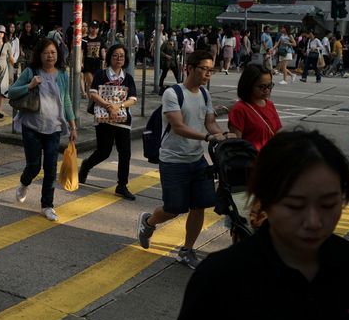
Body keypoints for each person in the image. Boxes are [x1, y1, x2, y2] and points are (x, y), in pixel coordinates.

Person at [173, 129, 349, 320]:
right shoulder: (220, 277)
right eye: (294, 206)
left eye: (328, 204)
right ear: (264, 200)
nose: (313, 222)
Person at [136, 50, 234, 269]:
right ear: (189, 68)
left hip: (197, 159)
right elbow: (179, 127)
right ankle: (149, 222)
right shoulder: (173, 93)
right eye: (204, 69)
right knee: (173, 208)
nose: (208, 74)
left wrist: (223, 136)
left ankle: (187, 250)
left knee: (200, 205)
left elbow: (210, 123)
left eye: (211, 70)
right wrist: (208, 136)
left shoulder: (205, 95)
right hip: (173, 161)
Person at [9, 38, 77, 222]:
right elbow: (12, 92)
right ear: (40, 54)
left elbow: (67, 100)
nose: (50, 56)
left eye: (53, 52)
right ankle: (24, 183)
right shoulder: (31, 72)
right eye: (46, 52)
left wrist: (72, 125)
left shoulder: (62, 74)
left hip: (53, 128)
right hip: (31, 127)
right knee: (33, 165)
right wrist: (29, 85)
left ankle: (47, 205)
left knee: (50, 168)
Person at [78, 44, 138, 200]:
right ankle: (86, 165)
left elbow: (133, 99)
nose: (119, 59)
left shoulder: (128, 77)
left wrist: (119, 106)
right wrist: (107, 106)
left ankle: (122, 185)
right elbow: (92, 93)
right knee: (104, 151)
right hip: (104, 118)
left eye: (122, 56)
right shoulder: (101, 74)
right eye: (115, 55)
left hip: (122, 119)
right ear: (110, 57)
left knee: (125, 153)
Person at [227, 64, 282, 152]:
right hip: (252, 161)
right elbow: (236, 145)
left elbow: (278, 132)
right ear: (249, 85)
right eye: (262, 87)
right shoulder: (240, 109)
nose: (267, 90)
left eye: (270, 86)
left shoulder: (270, 104)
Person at [81, 20, 105, 100]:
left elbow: (102, 50)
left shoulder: (100, 39)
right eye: (92, 28)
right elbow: (82, 52)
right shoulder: (85, 39)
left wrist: (105, 60)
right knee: (90, 83)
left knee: (96, 83)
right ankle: (91, 99)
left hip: (97, 64)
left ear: (98, 29)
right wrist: (81, 62)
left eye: (96, 28)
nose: (94, 29)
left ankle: (93, 98)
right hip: (88, 64)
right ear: (89, 29)